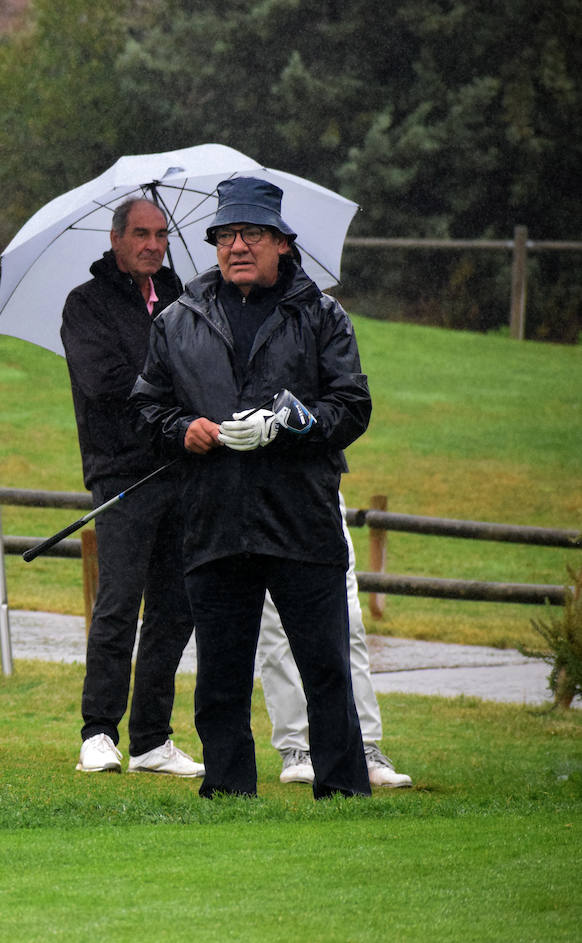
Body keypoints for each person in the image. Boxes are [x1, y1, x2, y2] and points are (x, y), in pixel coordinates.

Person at [128, 176, 373, 799]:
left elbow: (352, 405)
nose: (238, 246)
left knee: (324, 666)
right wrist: (186, 431)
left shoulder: (321, 315)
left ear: (282, 244)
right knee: (221, 676)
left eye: (252, 235)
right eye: (226, 236)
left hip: (301, 516)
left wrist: (295, 424)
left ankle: (343, 788)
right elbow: (147, 410)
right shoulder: (179, 320)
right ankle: (231, 792)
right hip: (214, 519)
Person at [60, 198, 203, 778]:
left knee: (176, 608)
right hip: (122, 471)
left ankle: (151, 740)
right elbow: (106, 382)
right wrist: (175, 380)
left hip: (183, 469)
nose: (152, 244)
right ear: (116, 238)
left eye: (160, 234)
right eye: (141, 234)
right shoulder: (86, 304)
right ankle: (98, 732)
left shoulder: (186, 299)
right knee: (119, 601)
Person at [259, 493, 413, 787]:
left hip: (319, 490)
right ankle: (296, 748)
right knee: (277, 627)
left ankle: (364, 747)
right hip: (262, 496)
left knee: (348, 623)